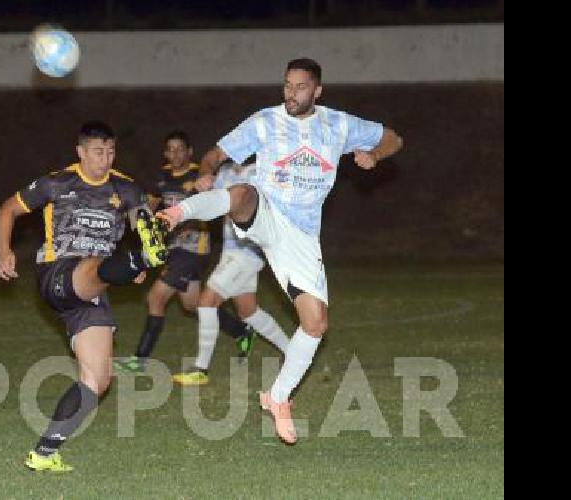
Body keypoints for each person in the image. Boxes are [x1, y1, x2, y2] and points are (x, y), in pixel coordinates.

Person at [155, 58, 404, 444]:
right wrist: (205, 171)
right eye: (287, 85)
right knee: (241, 195)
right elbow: (215, 155)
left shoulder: (339, 125)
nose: (291, 93)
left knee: (316, 323)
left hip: (301, 237)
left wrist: (375, 155)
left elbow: (393, 138)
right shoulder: (265, 121)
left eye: (300, 87)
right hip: (266, 212)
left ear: (317, 91)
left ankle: (277, 397)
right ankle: (171, 217)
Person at [0, 120, 168, 472]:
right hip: (57, 273)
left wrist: (142, 256)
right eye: (97, 152)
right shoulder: (56, 182)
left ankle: (44, 452)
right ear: (81, 152)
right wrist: (3, 251)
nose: (105, 159)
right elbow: (8, 209)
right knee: (99, 263)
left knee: (98, 380)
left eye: (111, 152)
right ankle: (128, 262)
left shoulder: (127, 189)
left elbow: (142, 226)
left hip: (93, 289)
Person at [113, 131, 253, 375]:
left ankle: (140, 360)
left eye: (180, 149)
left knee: (155, 298)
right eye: (170, 149)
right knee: (192, 305)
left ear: (190, 151)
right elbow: (150, 206)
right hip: (173, 248)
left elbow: (223, 202)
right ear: (165, 153)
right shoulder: (162, 176)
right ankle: (242, 331)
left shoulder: (202, 176)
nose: (175, 154)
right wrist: (129, 214)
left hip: (193, 249)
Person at [171, 158, 293, 386]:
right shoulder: (225, 171)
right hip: (231, 251)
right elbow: (213, 201)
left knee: (207, 302)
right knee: (249, 312)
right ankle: (292, 353)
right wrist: (201, 186)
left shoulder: (263, 171)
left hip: (248, 251)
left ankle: (200, 369)